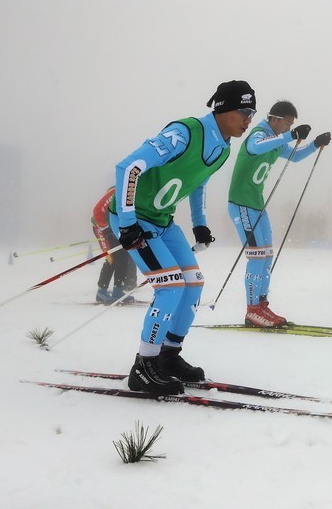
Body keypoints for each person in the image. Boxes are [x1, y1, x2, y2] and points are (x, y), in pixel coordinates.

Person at [108, 80, 255, 394]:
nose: (248, 119)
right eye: (243, 111)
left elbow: (198, 183)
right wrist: (128, 222)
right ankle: (143, 367)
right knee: (171, 287)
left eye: (251, 112)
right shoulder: (186, 132)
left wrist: (200, 224)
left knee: (193, 283)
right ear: (222, 109)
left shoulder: (224, 147)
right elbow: (128, 168)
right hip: (136, 217)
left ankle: (168, 356)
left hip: (161, 221)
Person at [227, 100, 331, 327]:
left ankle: (261, 305)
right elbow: (254, 147)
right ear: (273, 118)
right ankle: (251, 310)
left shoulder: (275, 140)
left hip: (257, 205)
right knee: (256, 257)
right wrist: (290, 135)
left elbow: (294, 156)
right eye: (286, 124)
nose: (287, 128)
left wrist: (315, 144)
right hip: (242, 204)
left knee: (266, 257)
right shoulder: (258, 134)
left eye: (290, 125)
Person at [92, 187, 138, 305]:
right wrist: (106, 229)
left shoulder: (138, 194)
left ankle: (118, 289)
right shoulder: (118, 191)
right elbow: (97, 211)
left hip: (116, 228)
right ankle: (101, 291)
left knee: (123, 257)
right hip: (101, 226)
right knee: (112, 258)